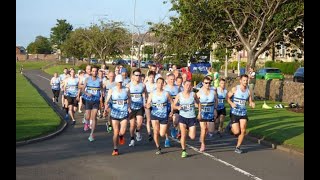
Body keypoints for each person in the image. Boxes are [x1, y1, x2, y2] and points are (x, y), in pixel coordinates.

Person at [227, 74, 255, 154]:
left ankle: (238, 147)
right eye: (244, 80)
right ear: (240, 81)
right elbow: (227, 97)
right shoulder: (235, 89)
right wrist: (231, 103)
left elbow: (249, 101)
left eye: (246, 80)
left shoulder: (248, 91)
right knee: (236, 132)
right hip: (234, 113)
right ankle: (230, 126)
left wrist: (251, 103)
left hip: (243, 113)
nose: (245, 82)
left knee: (243, 130)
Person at [104, 74, 131, 156]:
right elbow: (107, 100)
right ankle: (115, 149)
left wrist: (129, 107)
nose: (120, 84)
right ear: (116, 82)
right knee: (115, 132)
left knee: (122, 132)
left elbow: (129, 98)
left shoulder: (126, 90)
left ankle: (121, 136)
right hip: (115, 113)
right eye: (118, 82)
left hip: (124, 112)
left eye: (121, 82)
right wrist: (106, 107)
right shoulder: (112, 90)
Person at [146, 77, 173, 154]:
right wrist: (148, 105)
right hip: (154, 115)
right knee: (156, 132)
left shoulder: (166, 93)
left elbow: (172, 102)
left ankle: (161, 141)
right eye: (158, 83)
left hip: (164, 115)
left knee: (162, 133)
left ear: (163, 84)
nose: (160, 84)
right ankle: (158, 147)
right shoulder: (152, 93)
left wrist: (171, 111)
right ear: (156, 84)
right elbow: (148, 103)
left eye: (161, 83)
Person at [173, 80, 199, 158]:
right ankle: (184, 151)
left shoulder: (193, 94)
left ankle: (186, 130)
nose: (188, 86)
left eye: (189, 85)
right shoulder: (179, 95)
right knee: (184, 135)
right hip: (183, 117)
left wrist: (200, 112)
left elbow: (198, 103)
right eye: (187, 85)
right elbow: (173, 105)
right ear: (183, 85)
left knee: (192, 137)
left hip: (192, 117)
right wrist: (177, 107)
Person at [82, 66, 103, 142]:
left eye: (95, 71)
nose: (94, 72)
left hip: (96, 101)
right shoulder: (87, 79)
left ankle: (92, 134)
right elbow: (82, 89)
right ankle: (86, 122)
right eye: (93, 71)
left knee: (93, 117)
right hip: (88, 100)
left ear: (97, 72)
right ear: (91, 72)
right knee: (88, 116)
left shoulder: (99, 80)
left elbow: (101, 89)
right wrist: (87, 93)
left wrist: (101, 96)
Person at [196, 76, 218, 152]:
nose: (207, 84)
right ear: (203, 83)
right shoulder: (199, 93)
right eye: (206, 83)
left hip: (211, 113)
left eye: (209, 83)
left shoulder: (213, 92)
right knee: (203, 128)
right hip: (202, 113)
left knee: (211, 130)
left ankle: (202, 138)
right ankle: (203, 144)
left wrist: (215, 109)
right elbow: (196, 102)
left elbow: (216, 100)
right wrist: (199, 112)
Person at [127, 69, 147, 147]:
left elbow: (145, 94)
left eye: (139, 75)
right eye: (136, 75)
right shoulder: (129, 85)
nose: (138, 77)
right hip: (131, 107)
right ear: (133, 76)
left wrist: (145, 103)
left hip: (139, 107)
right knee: (132, 125)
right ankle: (132, 139)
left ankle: (137, 131)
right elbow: (126, 96)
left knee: (140, 123)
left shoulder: (143, 85)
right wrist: (128, 107)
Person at [164, 73, 181, 146]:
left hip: (175, 107)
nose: (172, 81)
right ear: (167, 79)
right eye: (171, 79)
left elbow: (181, 96)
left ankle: (173, 127)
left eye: (173, 79)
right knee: (166, 125)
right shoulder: (165, 88)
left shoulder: (177, 87)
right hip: (166, 107)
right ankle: (167, 139)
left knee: (176, 120)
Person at [145, 71, 156, 141]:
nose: (151, 79)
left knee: (154, 120)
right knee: (148, 120)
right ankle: (149, 134)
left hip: (155, 104)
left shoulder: (156, 85)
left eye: (153, 77)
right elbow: (143, 93)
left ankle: (155, 132)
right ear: (148, 77)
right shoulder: (145, 85)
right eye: (150, 77)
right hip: (147, 104)